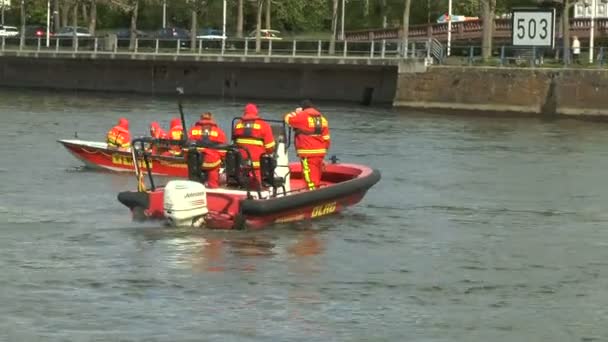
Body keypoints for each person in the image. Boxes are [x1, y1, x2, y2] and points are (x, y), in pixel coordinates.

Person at [284, 100, 330, 190]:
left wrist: (295, 113)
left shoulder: (302, 116)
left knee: (309, 177)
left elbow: (288, 119)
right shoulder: (323, 119)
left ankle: (312, 195)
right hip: (320, 152)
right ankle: (316, 191)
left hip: (307, 152)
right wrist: (324, 151)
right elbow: (327, 139)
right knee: (316, 175)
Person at [232, 103, 276, 187]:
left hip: (241, 162)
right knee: (258, 179)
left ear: (245, 113)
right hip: (258, 163)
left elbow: (235, 143)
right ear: (256, 112)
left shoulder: (237, 125)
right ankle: (259, 188)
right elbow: (270, 147)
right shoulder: (264, 125)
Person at [187, 112, 227, 188]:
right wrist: (221, 158)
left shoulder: (192, 130)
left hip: (196, 161)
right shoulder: (219, 132)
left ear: (201, 118)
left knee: (194, 183)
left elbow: (187, 147)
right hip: (213, 161)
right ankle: (213, 190)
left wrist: (188, 159)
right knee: (213, 180)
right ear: (211, 119)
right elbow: (223, 151)